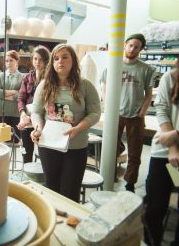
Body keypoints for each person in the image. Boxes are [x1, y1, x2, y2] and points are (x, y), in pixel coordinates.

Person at [30, 44, 101, 202]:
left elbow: (95, 113)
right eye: (56, 58)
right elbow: (36, 112)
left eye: (64, 57)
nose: (60, 61)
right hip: (49, 145)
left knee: (70, 191)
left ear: (73, 61)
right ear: (52, 63)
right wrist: (38, 129)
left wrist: (78, 128)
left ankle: (69, 223)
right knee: (52, 188)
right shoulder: (44, 85)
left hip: (75, 146)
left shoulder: (85, 86)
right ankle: (54, 223)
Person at [100, 33, 155, 192]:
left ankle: (130, 184)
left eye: (136, 47)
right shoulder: (113, 66)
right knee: (110, 148)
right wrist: (107, 106)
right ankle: (109, 176)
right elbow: (104, 88)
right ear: (125, 45)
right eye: (130, 45)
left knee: (135, 152)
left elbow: (149, 93)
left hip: (135, 115)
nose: (132, 49)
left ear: (140, 49)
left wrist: (142, 112)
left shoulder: (146, 69)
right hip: (114, 115)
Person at [143, 63, 179, 246]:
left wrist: (176, 134)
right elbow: (162, 109)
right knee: (155, 208)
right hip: (165, 154)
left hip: (171, 146)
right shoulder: (170, 78)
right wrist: (173, 146)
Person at [17, 45, 50, 163]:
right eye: (35, 59)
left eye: (41, 59)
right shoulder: (27, 78)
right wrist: (23, 114)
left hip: (43, 120)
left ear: (46, 61)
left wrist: (34, 118)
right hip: (26, 116)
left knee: (44, 154)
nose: (37, 62)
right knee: (26, 152)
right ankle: (26, 177)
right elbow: (21, 99)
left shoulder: (50, 79)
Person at [0, 50, 24, 142]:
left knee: (15, 140)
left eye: (11, 60)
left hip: (16, 113)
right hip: (2, 113)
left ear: (17, 61)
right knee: (3, 140)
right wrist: (14, 92)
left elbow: (21, 95)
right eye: (6, 61)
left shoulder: (23, 77)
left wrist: (3, 96)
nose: (8, 63)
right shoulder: (0, 76)